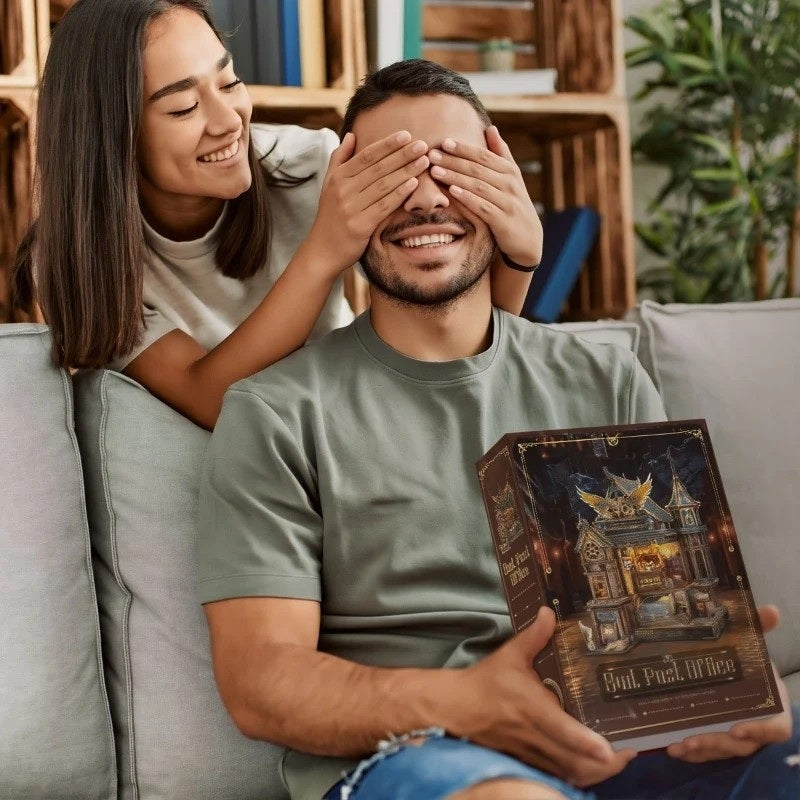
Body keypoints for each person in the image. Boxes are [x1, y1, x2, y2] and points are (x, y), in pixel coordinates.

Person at [197, 61, 798, 800]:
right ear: (343, 201)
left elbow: (672, 608)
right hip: (420, 756)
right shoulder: (275, 411)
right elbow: (259, 684)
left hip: (616, 743)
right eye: (390, 174)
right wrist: (466, 702)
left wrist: (732, 686)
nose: (425, 198)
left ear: (502, 183)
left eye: (453, 168)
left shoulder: (608, 379)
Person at [9, 0, 540, 429]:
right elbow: (212, 399)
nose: (228, 121)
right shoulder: (77, 258)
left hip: (353, 416)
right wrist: (323, 252)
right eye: (183, 107)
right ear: (110, 136)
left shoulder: (312, 165)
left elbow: (452, 329)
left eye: (229, 82)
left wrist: (521, 256)